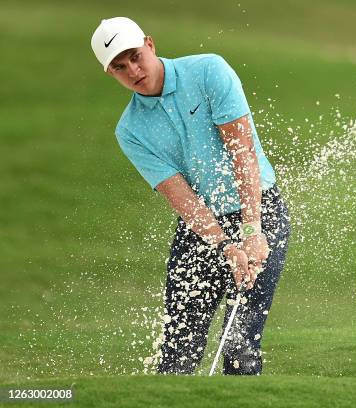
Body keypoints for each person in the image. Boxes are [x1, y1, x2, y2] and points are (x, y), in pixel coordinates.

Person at [91, 17, 290, 375]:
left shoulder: (208, 71)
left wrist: (251, 233)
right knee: (178, 348)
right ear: (110, 73)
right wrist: (223, 245)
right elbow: (181, 197)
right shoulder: (131, 130)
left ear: (150, 45)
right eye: (119, 67)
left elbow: (241, 152)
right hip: (201, 229)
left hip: (259, 211)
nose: (133, 70)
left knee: (239, 345)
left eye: (135, 56)